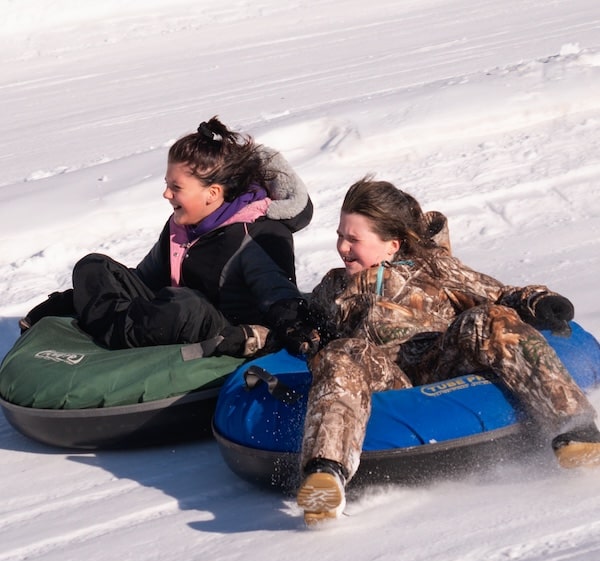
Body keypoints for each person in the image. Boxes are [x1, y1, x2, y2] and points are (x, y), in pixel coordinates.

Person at [280, 176, 600, 526]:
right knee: (341, 351)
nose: (342, 247)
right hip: (384, 377)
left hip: (440, 360)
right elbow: (310, 327)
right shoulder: (333, 286)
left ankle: (575, 430)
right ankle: (325, 474)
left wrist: (537, 300)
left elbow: (496, 294)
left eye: (353, 239)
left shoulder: (432, 268)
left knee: (488, 318)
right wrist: (301, 335)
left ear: (392, 244)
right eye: (340, 236)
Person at [19, 116, 312, 357]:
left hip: (225, 331)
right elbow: (144, 281)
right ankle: (109, 325)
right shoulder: (180, 226)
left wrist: (294, 329)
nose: (166, 194)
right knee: (93, 266)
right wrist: (73, 299)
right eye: (166, 184)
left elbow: (280, 297)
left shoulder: (255, 235)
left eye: (176, 187)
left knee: (184, 304)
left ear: (212, 193)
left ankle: (104, 328)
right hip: (168, 316)